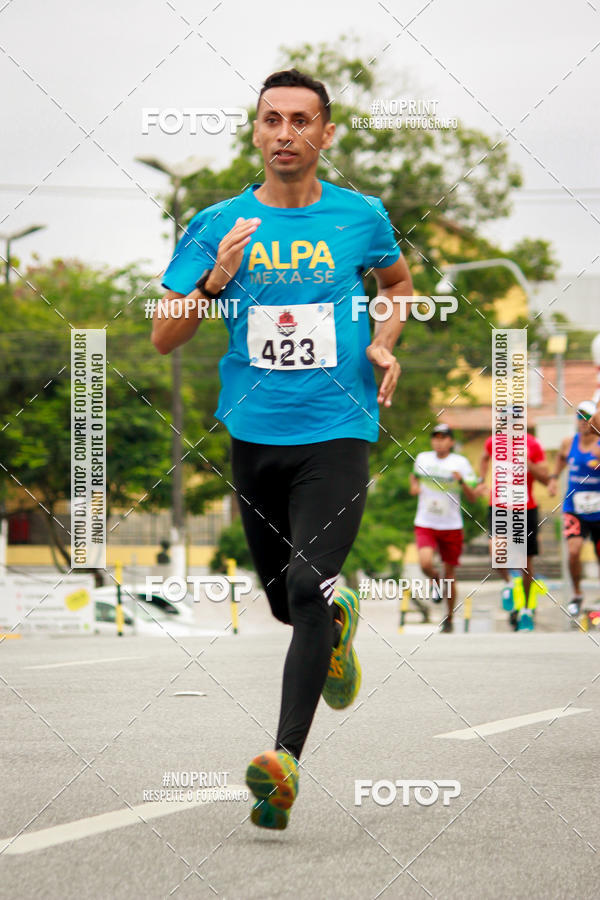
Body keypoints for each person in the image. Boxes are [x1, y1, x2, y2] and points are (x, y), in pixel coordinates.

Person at [152, 68, 413, 829]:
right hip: (254, 436)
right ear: (256, 131)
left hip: (338, 430)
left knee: (304, 587)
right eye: (273, 120)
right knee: (283, 604)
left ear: (326, 134)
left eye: (303, 120)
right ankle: (336, 627)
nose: (286, 133)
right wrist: (217, 277)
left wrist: (386, 340)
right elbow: (165, 334)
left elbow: (395, 286)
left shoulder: (360, 215)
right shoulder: (216, 223)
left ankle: (283, 764)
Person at [409, 424, 480, 633]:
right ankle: (436, 581)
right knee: (425, 563)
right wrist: (414, 486)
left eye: (443, 438)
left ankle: (448, 618)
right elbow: (414, 476)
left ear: (451, 442)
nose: (439, 441)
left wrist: (462, 482)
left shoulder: (461, 463)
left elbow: (473, 497)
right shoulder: (423, 458)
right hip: (426, 522)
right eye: (436, 437)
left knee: (450, 574)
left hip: (451, 525)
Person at [479, 424, 549, 630]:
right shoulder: (494, 442)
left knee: (525, 564)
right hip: (499, 506)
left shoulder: (532, 444)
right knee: (496, 551)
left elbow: (545, 478)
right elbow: (484, 456)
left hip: (525, 508)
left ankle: (526, 609)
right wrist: (482, 479)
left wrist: (527, 462)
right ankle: (509, 583)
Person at [548, 400, 600, 619]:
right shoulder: (569, 442)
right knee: (574, 552)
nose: (582, 421)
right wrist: (553, 478)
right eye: (579, 416)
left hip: (598, 510)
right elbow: (560, 459)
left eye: (586, 417)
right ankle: (577, 593)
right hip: (574, 508)